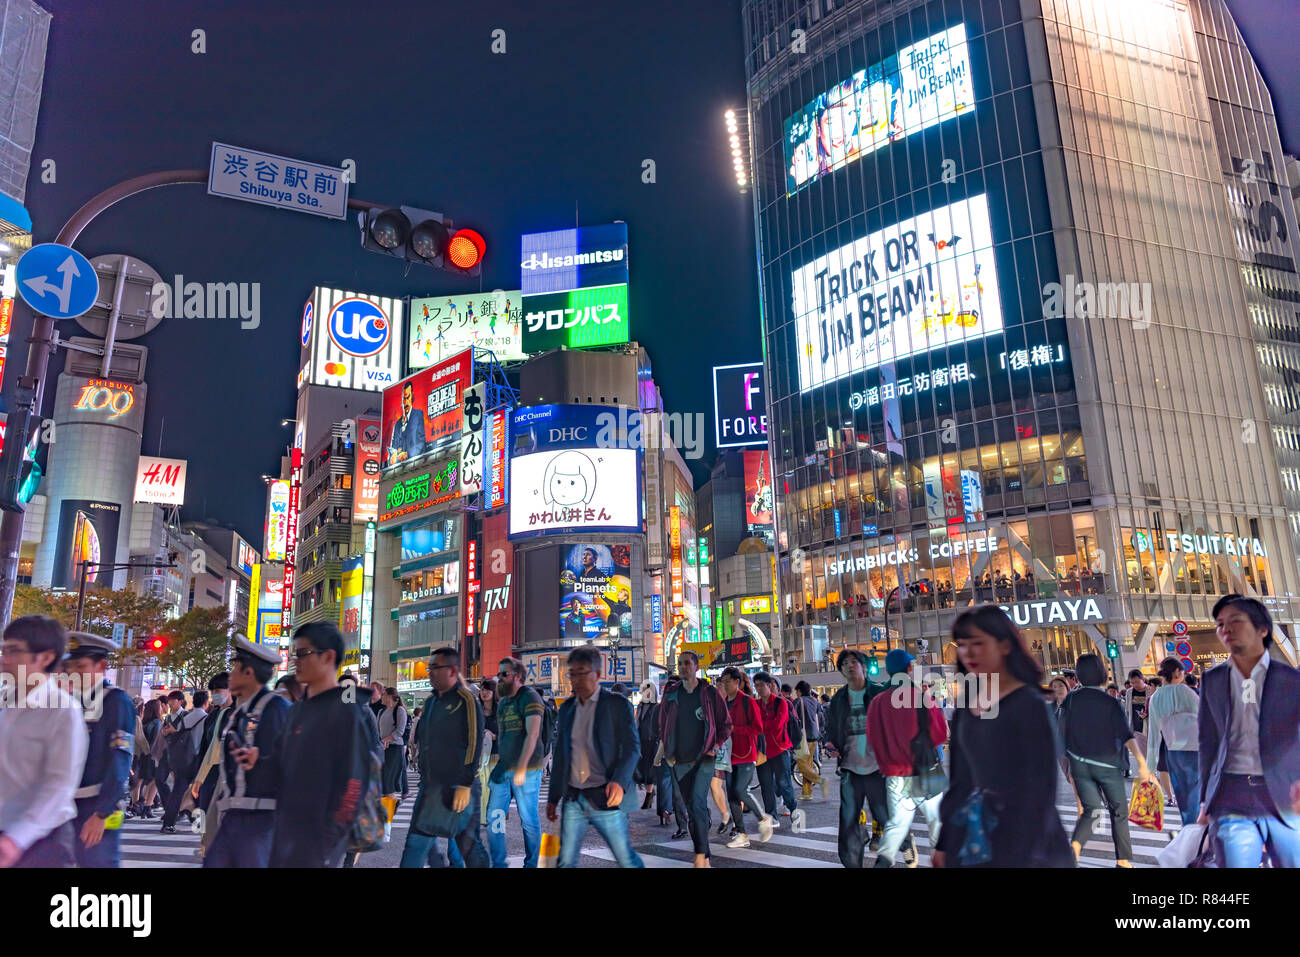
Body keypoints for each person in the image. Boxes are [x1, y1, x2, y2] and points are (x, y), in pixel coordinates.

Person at [935, 607, 1073, 868]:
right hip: (976, 837)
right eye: (962, 645)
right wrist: (944, 842)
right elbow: (961, 780)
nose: (968, 653)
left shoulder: (1029, 703)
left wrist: (1023, 853)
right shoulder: (968, 703)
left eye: (978, 643)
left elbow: (1041, 790)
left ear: (1005, 645)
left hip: (1027, 844)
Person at [241, 622, 378, 867]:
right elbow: (279, 766)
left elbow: (354, 782)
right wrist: (255, 762)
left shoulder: (345, 712)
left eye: (303, 653)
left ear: (328, 657)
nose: (296, 661)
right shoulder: (298, 710)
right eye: (295, 654)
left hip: (317, 840)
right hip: (285, 831)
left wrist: (328, 840)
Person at [1197, 595, 1300, 867]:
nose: (1225, 629)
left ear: (1262, 629)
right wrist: (1205, 800)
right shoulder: (1213, 679)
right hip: (1231, 793)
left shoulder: (1291, 680)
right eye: (1220, 624)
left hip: (1286, 794)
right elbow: (1208, 742)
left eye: (1235, 621)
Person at [0, 615, 87, 867]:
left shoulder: (62, 710)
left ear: (46, 657)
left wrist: (17, 838)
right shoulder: (7, 703)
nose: (5, 659)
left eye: (14, 651)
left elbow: (59, 785)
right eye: (4, 650)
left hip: (40, 842)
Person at [545, 646, 643, 867]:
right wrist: (553, 798)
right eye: (572, 673)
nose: (575, 679)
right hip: (574, 797)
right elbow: (561, 755)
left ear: (597, 675)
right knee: (565, 861)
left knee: (625, 858)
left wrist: (619, 781)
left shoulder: (617, 705)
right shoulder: (568, 708)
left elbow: (632, 747)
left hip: (605, 796)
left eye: (581, 672)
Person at [1060, 654, 1154, 867]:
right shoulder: (1110, 701)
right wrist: (1141, 762)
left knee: (1091, 810)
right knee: (1118, 811)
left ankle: (1073, 850)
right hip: (1108, 764)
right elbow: (1125, 734)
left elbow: (1061, 733)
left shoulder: (1070, 700)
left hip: (1080, 765)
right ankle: (1122, 860)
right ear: (1101, 673)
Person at [205, 637, 290, 868]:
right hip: (234, 817)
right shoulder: (240, 713)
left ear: (249, 673)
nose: (230, 674)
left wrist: (261, 761)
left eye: (235, 668)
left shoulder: (276, 708)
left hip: (261, 821)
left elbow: (294, 762)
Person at [401, 647, 489, 868]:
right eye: (429, 668)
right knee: (415, 843)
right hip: (431, 785)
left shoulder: (466, 699)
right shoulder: (431, 702)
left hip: (459, 785)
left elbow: (474, 742)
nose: (429, 672)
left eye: (434, 668)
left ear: (451, 671)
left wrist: (465, 783)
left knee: (468, 845)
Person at [867, 649, 949, 868]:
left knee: (897, 825)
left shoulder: (878, 702)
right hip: (924, 771)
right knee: (937, 821)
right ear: (909, 669)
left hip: (895, 774)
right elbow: (940, 733)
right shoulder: (920, 695)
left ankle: (884, 860)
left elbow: (874, 739)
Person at [60, 632, 133, 868]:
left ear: (101, 666)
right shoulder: (70, 702)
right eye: (71, 667)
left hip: (98, 804)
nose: (73, 673)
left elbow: (120, 761)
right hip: (67, 805)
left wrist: (102, 813)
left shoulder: (115, 701)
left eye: (81, 667)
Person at [656, 650, 731, 867]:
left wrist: (715, 746)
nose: (683, 667)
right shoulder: (671, 694)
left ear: (697, 667)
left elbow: (725, 724)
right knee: (691, 808)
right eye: (680, 663)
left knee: (697, 804)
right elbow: (663, 724)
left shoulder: (708, 693)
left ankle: (699, 856)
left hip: (704, 757)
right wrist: (667, 751)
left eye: (687, 663)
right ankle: (705, 857)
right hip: (679, 760)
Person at [824, 649, 892, 867]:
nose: (850, 666)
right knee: (849, 822)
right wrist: (830, 744)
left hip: (878, 768)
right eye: (845, 664)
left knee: (885, 817)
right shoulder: (838, 699)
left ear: (864, 667)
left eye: (854, 662)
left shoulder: (878, 694)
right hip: (850, 769)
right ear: (841, 671)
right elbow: (831, 729)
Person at [487, 657, 545, 868]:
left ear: (518, 676)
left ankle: (531, 864)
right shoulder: (503, 703)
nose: (500, 678)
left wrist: (521, 767)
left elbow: (533, 734)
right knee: (494, 817)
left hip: (528, 769)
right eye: (499, 673)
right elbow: (504, 738)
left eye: (505, 674)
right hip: (504, 768)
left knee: (528, 820)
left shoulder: (529, 697)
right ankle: (499, 863)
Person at [719, 666, 771, 847]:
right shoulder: (724, 703)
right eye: (723, 682)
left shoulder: (748, 702)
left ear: (737, 682)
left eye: (727, 681)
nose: (725, 685)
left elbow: (758, 728)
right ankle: (741, 833)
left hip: (746, 754)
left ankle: (763, 818)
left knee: (741, 790)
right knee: (732, 795)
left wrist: (736, 730)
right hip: (728, 755)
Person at [1145, 657, 1200, 827]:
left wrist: (1151, 766)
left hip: (1174, 751)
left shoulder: (1155, 698)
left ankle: (1189, 830)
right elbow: (1205, 719)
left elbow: (1154, 734)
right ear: (1177, 672)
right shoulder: (1186, 692)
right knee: (1199, 794)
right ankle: (1199, 833)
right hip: (1196, 749)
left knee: (1183, 795)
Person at [753, 672, 799, 824]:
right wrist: (763, 726)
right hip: (762, 751)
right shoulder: (756, 704)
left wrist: (762, 726)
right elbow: (755, 726)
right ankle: (772, 815)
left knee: (783, 783)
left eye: (760, 685)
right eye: (756, 685)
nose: (758, 688)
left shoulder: (781, 703)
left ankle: (793, 809)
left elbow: (778, 725)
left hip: (780, 749)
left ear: (769, 685)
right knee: (766, 786)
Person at [158, 689, 207, 833]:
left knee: (177, 792)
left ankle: (168, 823)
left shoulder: (186, 717)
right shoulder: (207, 718)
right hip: (199, 760)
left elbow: (170, 733)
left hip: (183, 759)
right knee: (199, 792)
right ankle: (199, 824)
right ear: (205, 703)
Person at [378, 687, 408, 842]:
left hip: (394, 750)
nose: (381, 697)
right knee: (384, 785)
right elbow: (378, 731)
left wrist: (387, 740)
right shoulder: (381, 712)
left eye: (383, 694)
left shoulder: (400, 710)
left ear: (390, 696)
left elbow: (400, 731)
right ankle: (385, 821)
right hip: (382, 750)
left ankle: (387, 827)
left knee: (389, 784)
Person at [793, 680, 828, 800]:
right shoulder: (815, 701)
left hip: (804, 737)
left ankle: (821, 781)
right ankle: (807, 793)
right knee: (808, 764)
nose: (796, 694)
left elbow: (793, 719)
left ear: (799, 691)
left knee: (802, 766)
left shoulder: (798, 701)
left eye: (796, 691)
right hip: (814, 736)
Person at [133, 698, 164, 818]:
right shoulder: (157, 722)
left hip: (141, 755)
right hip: (152, 755)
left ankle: (138, 804)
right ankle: (146, 805)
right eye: (160, 706)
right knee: (155, 780)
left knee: (140, 780)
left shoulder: (144, 722)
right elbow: (156, 741)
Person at [388, 380, 428, 463]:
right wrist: (392, 457)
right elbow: (393, 449)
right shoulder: (397, 425)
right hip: (399, 470)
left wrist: (408, 454)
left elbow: (422, 443)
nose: (406, 402)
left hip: (417, 465)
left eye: (408, 397)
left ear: (412, 397)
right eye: (403, 399)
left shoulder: (418, 415)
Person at [1121, 670, 1151, 777]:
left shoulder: (1151, 690)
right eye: (1132, 683)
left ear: (1143, 679)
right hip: (1137, 728)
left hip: (1150, 727)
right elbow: (1127, 710)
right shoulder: (1129, 692)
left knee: (1152, 754)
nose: (1135, 685)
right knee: (1142, 756)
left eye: (1137, 682)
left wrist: (1147, 714)